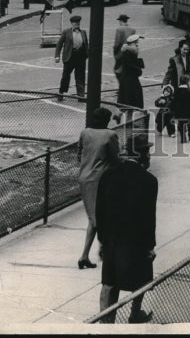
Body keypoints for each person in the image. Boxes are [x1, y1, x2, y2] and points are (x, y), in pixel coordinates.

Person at [95, 140, 157, 324]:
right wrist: (150, 245)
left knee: (109, 282)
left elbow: (100, 211)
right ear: (142, 155)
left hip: (112, 241)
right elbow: (148, 217)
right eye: (148, 153)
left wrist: (102, 240)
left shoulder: (107, 176)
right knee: (141, 279)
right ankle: (135, 313)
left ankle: (106, 321)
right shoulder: (149, 181)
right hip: (136, 241)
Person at [77, 106, 120, 270]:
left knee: (94, 219)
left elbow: (79, 153)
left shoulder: (85, 132)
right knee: (98, 219)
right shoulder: (110, 135)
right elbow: (116, 159)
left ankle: (85, 256)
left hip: (84, 177)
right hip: (100, 179)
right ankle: (104, 250)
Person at [55, 14, 89, 102]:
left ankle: (81, 95)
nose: (77, 24)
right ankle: (61, 93)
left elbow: (86, 45)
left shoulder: (83, 32)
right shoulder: (66, 32)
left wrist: (87, 55)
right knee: (66, 76)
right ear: (72, 23)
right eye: (75, 23)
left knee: (80, 76)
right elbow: (59, 44)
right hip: (70, 56)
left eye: (78, 23)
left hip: (80, 56)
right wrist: (57, 56)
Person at [115, 34, 145, 110]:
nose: (138, 45)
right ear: (134, 43)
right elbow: (134, 69)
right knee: (132, 104)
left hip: (129, 82)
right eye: (137, 43)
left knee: (131, 103)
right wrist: (139, 70)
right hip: (130, 83)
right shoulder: (129, 54)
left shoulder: (129, 53)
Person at [171, 73, 190, 144]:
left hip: (180, 111)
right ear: (188, 81)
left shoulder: (177, 89)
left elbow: (174, 100)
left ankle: (183, 138)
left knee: (181, 124)